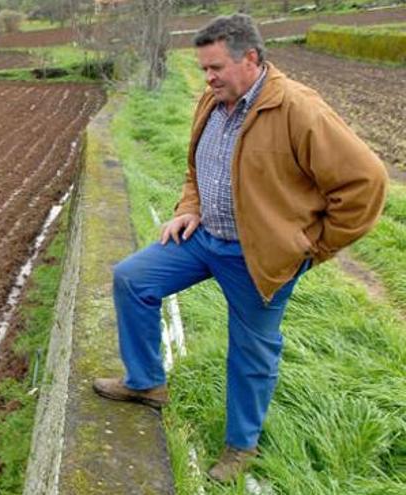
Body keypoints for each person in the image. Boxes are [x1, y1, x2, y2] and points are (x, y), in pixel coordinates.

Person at [92, 13, 388, 482]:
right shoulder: (212, 102)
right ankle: (147, 382)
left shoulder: (298, 109)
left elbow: (367, 183)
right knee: (133, 277)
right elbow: (197, 168)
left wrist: (310, 249)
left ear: (250, 59)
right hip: (205, 239)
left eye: (215, 68)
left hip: (259, 257)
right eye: (204, 69)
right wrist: (189, 206)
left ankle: (240, 448)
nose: (207, 79)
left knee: (251, 350)